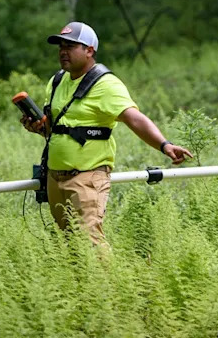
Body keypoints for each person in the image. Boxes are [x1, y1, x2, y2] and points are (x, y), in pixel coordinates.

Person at [20, 21, 193, 245]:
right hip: (55, 177)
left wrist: (164, 145)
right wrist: (37, 127)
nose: (63, 51)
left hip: (87, 177)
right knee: (68, 244)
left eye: (70, 46)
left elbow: (135, 118)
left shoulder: (106, 84)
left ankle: (108, 271)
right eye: (61, 46)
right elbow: (55, 129)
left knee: (90, 243)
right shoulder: (57, 81)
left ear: (89, 50)